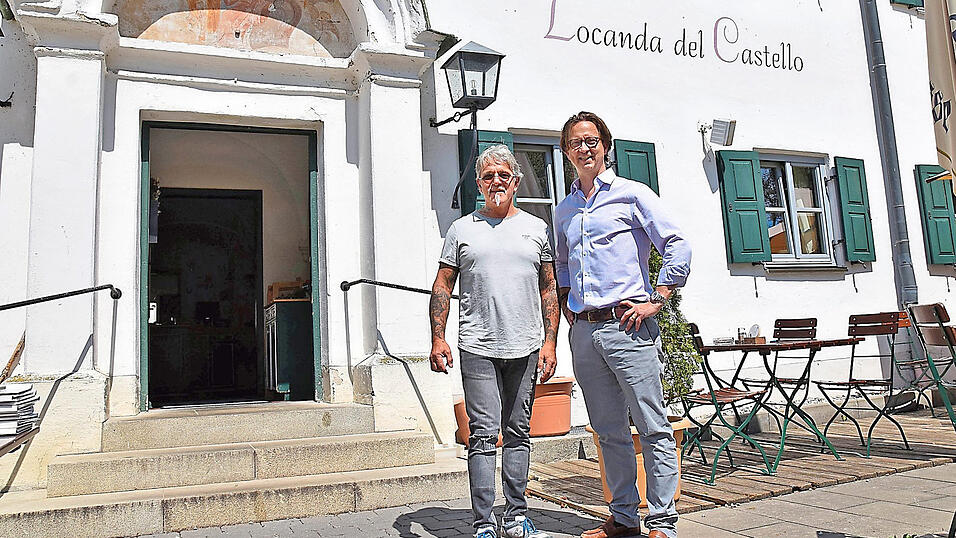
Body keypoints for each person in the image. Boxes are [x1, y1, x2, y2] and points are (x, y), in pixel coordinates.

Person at [554, 112, 691, 538]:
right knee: (608, 430)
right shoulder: (565, 209)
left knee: (652, 425)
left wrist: (660, 298)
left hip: (629, 326)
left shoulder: (632, 195)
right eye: (576, 142)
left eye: (592, 140)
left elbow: (677, 244)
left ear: (605, 146)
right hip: (585, 332)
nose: (585, 148)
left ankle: (663, 522)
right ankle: (625, 516)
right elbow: (561, 263)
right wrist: (567, 304)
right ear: (566, 152)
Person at [429, 144, 559, 538]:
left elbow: (549, 287)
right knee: (483, 436)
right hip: (478, 347)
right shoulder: (462, 229)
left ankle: (516, 516)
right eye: (488, 177)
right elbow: (442, 285)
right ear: (480, 185)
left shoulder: (536, 228)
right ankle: (484, 523)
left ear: (516, 181)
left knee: (519, 432)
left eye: (503, 175)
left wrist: (551, 344)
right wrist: (438, 339)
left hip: (526, 346)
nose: (496, 182)